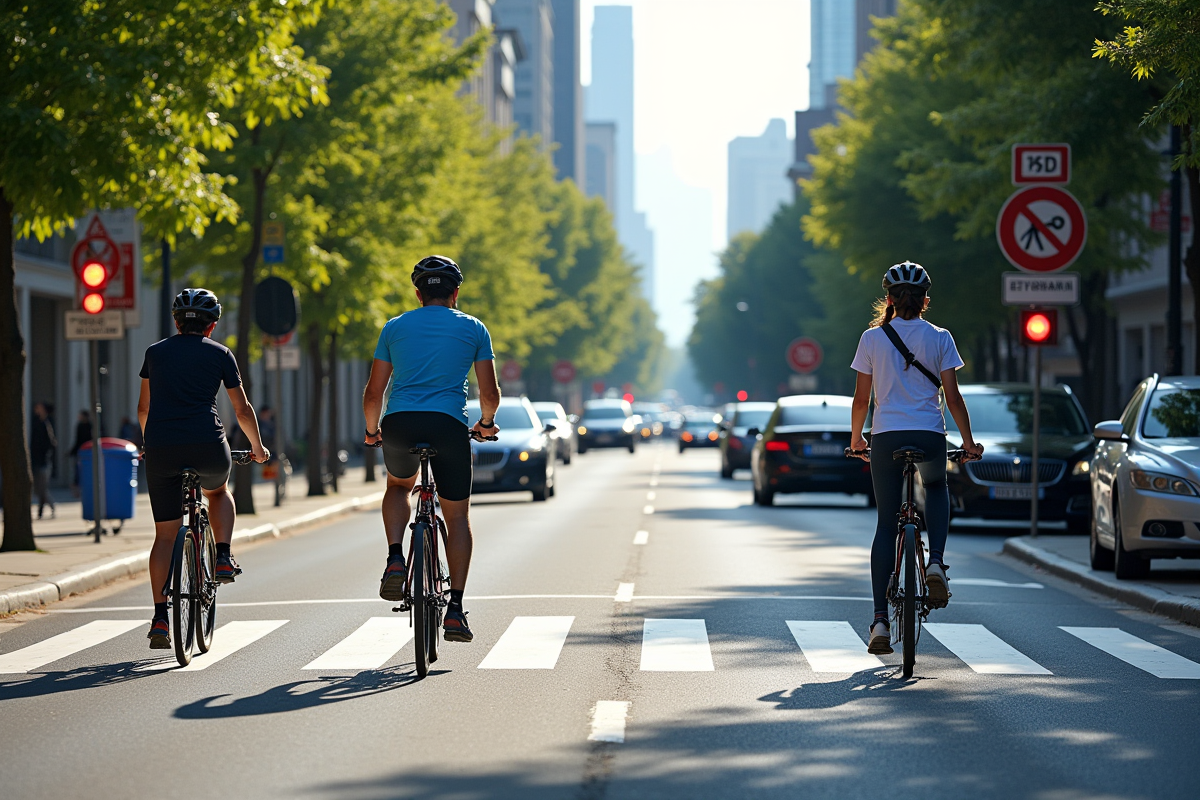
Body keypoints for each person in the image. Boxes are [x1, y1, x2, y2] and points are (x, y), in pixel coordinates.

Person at [362, 255, 500, 643]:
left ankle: (394, 558)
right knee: (456, 517)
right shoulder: (474, 328)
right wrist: (486, 423)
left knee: (397, 487)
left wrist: (373, 431)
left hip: (400, 422)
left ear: (418, 293)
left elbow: (375, 393)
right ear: (455, 293)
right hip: (449, 426)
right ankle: (454, 609)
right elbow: (489, 393)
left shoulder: (394, 327)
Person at [849, 261, 983, 655]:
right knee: (937, 487)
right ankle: (937, 562)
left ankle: (878, 622)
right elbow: (953, 398)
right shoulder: (940, 337)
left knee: (885, 525)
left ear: (888, 299)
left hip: (887, 436)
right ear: (925, 300)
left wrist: (858, 440)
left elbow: (862, 400)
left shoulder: (872, 339)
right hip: (929, 433)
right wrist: (970, 443)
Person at [137, 289, 268, 649]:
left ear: (177, 322)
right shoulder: (221, 353)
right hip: (208, 446)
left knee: (165, 536)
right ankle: (223, 557)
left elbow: (144, 409)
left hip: (162, 447)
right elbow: (241, 410)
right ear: (212, 325)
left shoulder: (155, 353)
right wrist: (257, 448)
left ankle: (161, 617)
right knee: (218, 492)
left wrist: (152, 443)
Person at [30, 402, 57, 519]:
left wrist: (46, 454)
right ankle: (47, 507)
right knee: (38, 488)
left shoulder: (47, 424)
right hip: (36, 459)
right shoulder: (36, 422)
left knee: (42, 488)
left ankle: (46, 508)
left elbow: (51, 443)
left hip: (43, 461)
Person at [69, 409, 92, 496]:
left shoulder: (91, 426)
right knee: (77, 472)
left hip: (89, 451)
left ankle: (83, 489)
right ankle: (77, 490)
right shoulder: (79, 426)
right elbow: (77, 440)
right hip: (81, 451)